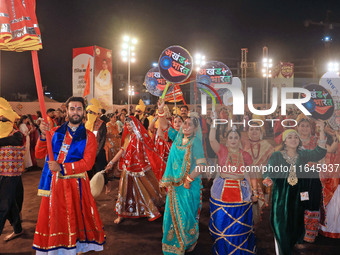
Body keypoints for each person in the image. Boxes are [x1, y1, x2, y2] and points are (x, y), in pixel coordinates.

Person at [33, 96, 105, 254]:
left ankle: (74, 249)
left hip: (77, 186)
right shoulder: (54, 132)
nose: (76, 112)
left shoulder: (89, 136)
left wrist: (62, 167)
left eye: (79, 109)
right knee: (56, 220)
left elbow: (88, 163)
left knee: (77, 219)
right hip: (55, 185)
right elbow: (39, 154)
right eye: (72, 108)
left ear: (84, 112)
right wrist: (43, 137)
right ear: (66, 111)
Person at [263, 124, 327, 255]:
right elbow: (269, 170)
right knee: (280, 225)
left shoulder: (303, 154)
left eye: (296, 137)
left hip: (299, 196)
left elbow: (319, 152)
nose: (293, 139)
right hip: (281, 196)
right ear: (285, 141)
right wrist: (268, 178)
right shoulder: (276, 156)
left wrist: (321, 130)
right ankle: (282, 251)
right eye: (290, 137)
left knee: (296, 226)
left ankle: (290, 248)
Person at [158, 99, 206, 255]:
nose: (185, 126)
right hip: (174, 185)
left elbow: (201, 166)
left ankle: (189, 240)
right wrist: (161, 111)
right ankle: (173, 244)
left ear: (194, 128)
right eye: (184, 123)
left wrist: (189, 180)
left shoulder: (195, 142)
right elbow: (164, 125)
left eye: (189, 125)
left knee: (187, 215)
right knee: (171, 215)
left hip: (188, 186)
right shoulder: (177, 137)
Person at [105, 116, 164, 224]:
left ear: (136, 125)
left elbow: (149, 149)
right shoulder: (128, 137)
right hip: (128, 168)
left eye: (130, 124)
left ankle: (148, 210)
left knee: (143, 190)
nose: (128, 126)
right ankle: (121, 214)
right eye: (127, 125)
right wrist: (111, 162)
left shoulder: (141, 137)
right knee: (124, 190)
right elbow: (122, 151)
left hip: (139, 168)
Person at [209, 122, 257, 255]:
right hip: (221, 191)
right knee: (221, 225)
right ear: (226, 140)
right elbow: (212, 139)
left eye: (236, 137)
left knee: (240, 227)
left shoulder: (246, 155)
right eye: (230, 137)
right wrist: (213, 123)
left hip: (242, 192)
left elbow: (252, 174)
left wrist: (255, 192)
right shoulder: (222, 150)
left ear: (240, 140)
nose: (233, 140)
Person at [0, 97, 25, 241]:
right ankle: (17, 228)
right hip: (2, 174)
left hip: (10, 176)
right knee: (9, 204)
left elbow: (12, 141)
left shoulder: (16, 134)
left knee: (3, 205)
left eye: (2, 119)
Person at [242, 121, 274, 224]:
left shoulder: (266, 145)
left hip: (262, 177)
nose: (254, 131)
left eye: (257, 129)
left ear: (261, 132)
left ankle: (257, 218)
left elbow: (273, 162)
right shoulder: (243, 144)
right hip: (246, 178)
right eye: (251, 129)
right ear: (248, 132)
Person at [320, 126, 340, 238]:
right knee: (331, 206)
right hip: (328, 177)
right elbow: (330, 150)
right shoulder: (323, 141)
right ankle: (330, 229)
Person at [85, 99, 107, 179]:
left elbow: (102, 140)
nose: (88, 114)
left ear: (95, 114)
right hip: (87, 152)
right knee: (88, 172)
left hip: (98, 152)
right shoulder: (86, 124)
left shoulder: (101, 124)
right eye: (87, 112)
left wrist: (96, 153)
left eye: (91, 112)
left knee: (100, 171)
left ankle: (107, 187)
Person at [104, 113, 121, 181]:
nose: (115, 119)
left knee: (117, 155)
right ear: (110, 118)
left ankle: (115, 173)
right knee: (111, 155)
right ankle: (110, 173)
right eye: (113, 117)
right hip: (110, 142)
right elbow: (107, 134)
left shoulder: (116, 125)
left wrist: (118, 135)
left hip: (117, 141)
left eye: (115, 117)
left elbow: (117, 132)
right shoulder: (108, 124)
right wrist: (114, 136)